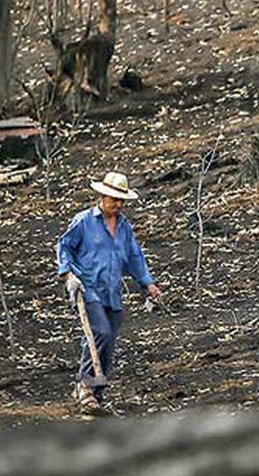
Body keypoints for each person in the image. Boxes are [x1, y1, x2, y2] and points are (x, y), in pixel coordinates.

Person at [56, 171, 162, 413]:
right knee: (100, 333)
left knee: (109, 341)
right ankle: (84, 385)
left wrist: (147, 282)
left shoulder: (124, 227)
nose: (118, 204)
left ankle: (97, 393)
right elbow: (64, 246)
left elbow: (135, 256)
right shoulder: (83, 221)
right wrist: (68, 275)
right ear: (102, 196)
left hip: (111, 291)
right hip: (87, 288)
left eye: (121, 200)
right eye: (114, 199)